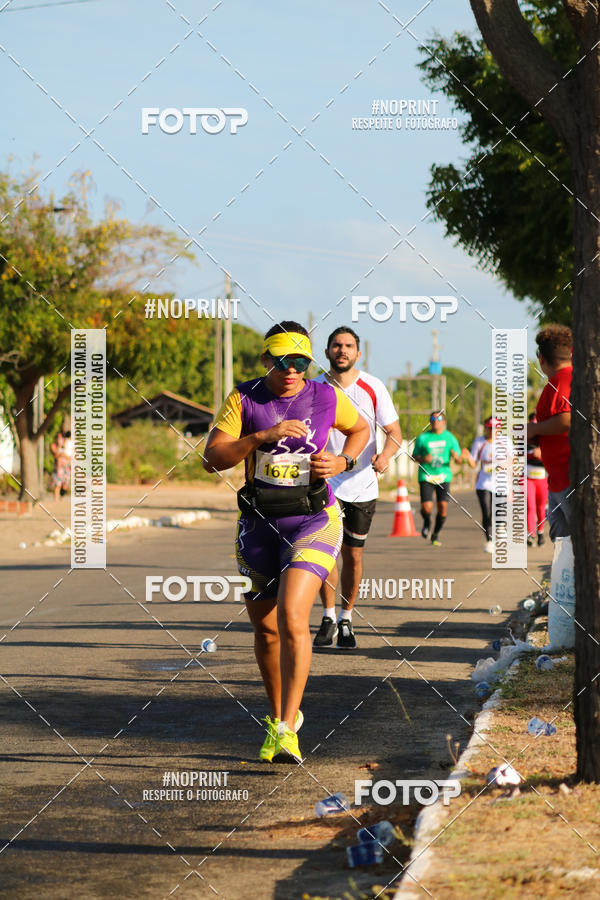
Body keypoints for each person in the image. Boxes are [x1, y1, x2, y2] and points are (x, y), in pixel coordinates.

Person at [203, 322, 369, 764]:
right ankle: (278, 715)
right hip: (258, 525)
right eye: (283, 361)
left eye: (301, 362)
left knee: (293, 615)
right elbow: (211, 459)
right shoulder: (244, 399)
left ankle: (286, 728)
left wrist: (343, 460)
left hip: (314, 519)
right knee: (266, 629)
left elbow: (362, 429)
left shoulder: (326, 396)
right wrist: (261, 437)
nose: (292, 370)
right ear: (266, 360)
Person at [312, 326, 402, 650]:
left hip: (362, 485)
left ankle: (346, 618)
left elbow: (394, 432)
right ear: (327, 352)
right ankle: (327, 617)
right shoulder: (314, 388)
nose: (342, 350)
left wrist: (386, 456)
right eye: (336, 345)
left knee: (353, 555)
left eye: (348, 346)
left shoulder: (373, 386)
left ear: (358, 353)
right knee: (324, 553)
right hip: (323, 483)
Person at [527, 325, 572, 540]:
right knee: (563, 544)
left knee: (574, 542)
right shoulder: (562, 379)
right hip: (557, 480)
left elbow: (567, 420)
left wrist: (534, 429)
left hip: (568, 479)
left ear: (542, 358)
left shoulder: (561, 380)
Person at [412, 412, 468, 546]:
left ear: (444, 422)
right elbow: (414, 456)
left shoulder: (450, 438)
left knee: (442, 506)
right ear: (430, 421)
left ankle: (435, 534)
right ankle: (427, 522)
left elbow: (459, 460)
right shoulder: (423, 438)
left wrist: (458, 457)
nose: (435, 421)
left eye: (439, 418)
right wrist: (423, 459)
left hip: (444, 476)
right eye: (433, 418)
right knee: (427, 507)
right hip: (426, 476)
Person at [467, 417, 513, 553]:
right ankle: (489, 541)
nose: (492, 431)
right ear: (486, 428)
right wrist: (466, 457)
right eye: (489, 428)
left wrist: (505, 464)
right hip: (484, 484)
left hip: (501, 483)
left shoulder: (506, 441)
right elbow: (473, 463)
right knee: (486, 513)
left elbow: (513, 459)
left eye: (495, 428)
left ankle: (501, 530)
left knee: (499, 513)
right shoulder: (479, 442)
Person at [526, 413, 548, 547]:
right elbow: (516, 455)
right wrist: (530, 454)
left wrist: (542, 454)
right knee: (530, 506)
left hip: (542, 478)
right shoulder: (524, 439)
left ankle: (540, 532)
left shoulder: (546, 439)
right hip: (527, 479)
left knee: (540, 507)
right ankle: (531, 534)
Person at [50, 431, 72, 501]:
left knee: (65, 485)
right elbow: (56, 455)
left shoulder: (67, 445)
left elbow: (69, 456)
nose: (59, 439)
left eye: (61, 437)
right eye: (58, 437)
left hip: (66, 467)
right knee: (58, 484)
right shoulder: (54, 445)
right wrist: (60, 447)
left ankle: (62, 499)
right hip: (58, 468)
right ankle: (56, 500)